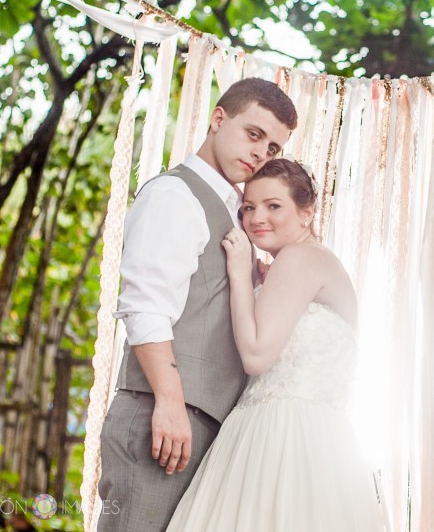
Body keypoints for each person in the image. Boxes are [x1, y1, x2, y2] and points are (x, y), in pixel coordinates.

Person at [97, 79, 298, 532]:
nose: (259, 154)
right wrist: (169, 402)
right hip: (163, 415)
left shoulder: (239, 213)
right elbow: (145, 306)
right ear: (218, 119)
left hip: (207, 425)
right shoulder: (175, 195)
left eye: (271, 148)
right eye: (252, 134)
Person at [166, 158, 386, 532]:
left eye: (273, 206)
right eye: (249, 207)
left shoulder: (300, 258)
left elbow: (255, 355)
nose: (256, 218)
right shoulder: (315, 261)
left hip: (283, 435)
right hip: (321, 440)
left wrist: (239, 274)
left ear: (306, 213)